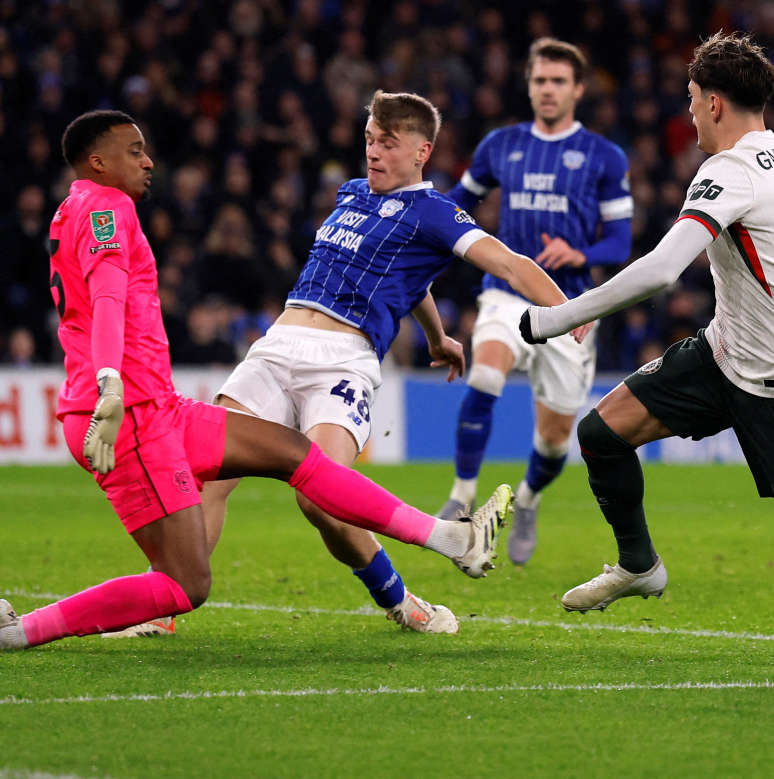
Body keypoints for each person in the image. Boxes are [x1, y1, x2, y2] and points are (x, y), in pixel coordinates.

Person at [0, 111, 514, 651]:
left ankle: (452, 538)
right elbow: (110, 298)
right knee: (185, 583)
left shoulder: (74, 207)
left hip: (153, 411)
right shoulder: (107, 211)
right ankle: (15, 633)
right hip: (129, 417)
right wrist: (111, 386)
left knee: (297, 457)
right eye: (134, 151)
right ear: (97, 161)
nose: (148, 162)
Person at [520, 32, 774, 662]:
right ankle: (639, 566)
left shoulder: (729, 171)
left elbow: (661, 271)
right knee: (602, 433)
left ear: (714, 104)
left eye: (690, 99)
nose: (687, 113)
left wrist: (559, 319)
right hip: (722, 355)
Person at [178, 92, 589, 637]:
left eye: (387, 143)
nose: (372, 152)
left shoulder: (437, 213)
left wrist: (567, 309)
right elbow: (405, 278)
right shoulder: (352, 194)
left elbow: (509, 264)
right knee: (205, 476)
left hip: (341, 362)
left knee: (320, 498)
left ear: (422, 151)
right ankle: (168, 604)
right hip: (276, 347)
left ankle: (400, 602)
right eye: (369, 139)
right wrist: (437, 336)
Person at [442, 38, 632, 567]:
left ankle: (526, 502)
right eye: (538, 80)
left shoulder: (604, 156)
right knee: (485, 375)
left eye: (557, 81)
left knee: (553, 442)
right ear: (528, 86)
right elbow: (459, 203)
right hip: (505, 293)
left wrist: (580, 250)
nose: (546, 90)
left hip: (570, 305)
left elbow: (619, 242)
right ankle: (460, 496)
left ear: (577, 89)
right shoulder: (500, 145)